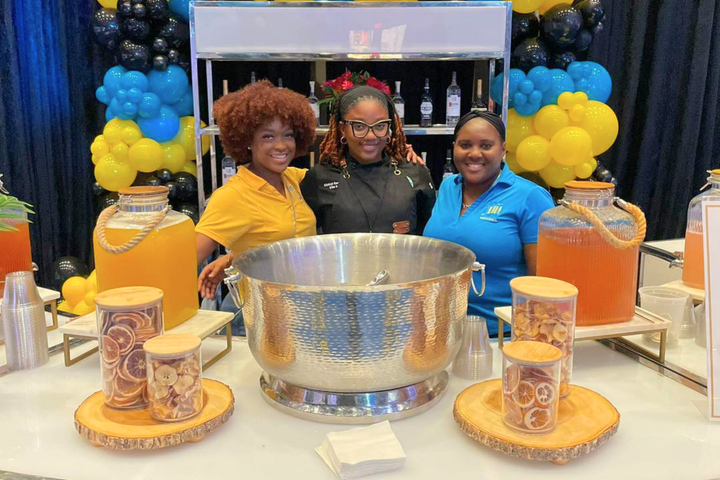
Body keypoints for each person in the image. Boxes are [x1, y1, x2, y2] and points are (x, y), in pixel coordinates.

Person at [194, 80, 317, 335]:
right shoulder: (234, 195)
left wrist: (232, 258)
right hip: (256, 319)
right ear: (247, 141)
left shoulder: (293, 179)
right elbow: (182, 261)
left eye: (288, 135)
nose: (281, 145)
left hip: (298, 315)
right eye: (268, 136)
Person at [423, 111, 554, 336]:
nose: (474, 153)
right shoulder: (447, 188)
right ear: (454, 147)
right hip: (443, 331)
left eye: (486, 145)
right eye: (465, 145)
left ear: (502, 150)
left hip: (501, 336)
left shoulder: (530, 197)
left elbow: (542, 286)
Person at [301, 86, 436, 235]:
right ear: (342, 129)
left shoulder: (415, 172)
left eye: (379, 126)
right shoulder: (319, 177)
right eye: (359, 126)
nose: (370, 136)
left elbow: (428, 234)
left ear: (390, 128)